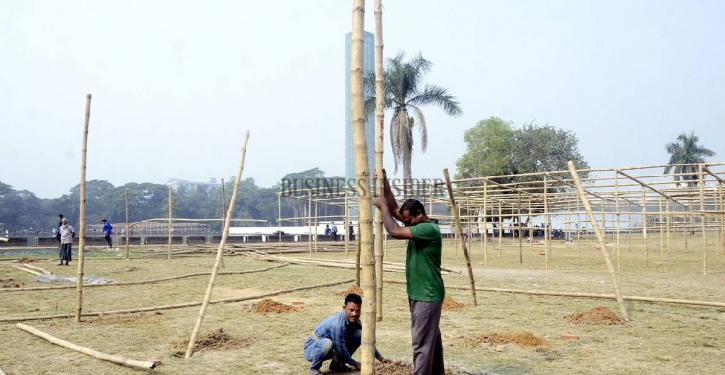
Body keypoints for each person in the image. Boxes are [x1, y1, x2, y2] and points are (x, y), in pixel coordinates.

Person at [372, 168, 445, 375]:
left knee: (421, 345)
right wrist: (385, 182)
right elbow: (395, 209)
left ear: (419, 215)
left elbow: (394, 230)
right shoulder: (417, 224)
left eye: (409, 221)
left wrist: (383, 206)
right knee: (431, 342)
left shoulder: (428, 229)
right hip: (420, 294)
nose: (407, 225)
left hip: (427, 296)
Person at [303, 293, 388, 374]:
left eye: (357, 311)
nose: (354, 314)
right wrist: (355, 364)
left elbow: (366, 340)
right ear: (344, 308)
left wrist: (381, 359)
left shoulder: (356, 321)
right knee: (327, 343)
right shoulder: (337, 325)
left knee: (359, 334)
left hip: (333, 347)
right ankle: (314, 369)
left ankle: (337, 365)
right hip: (312, 349)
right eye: (351, 310)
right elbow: (341, 350)